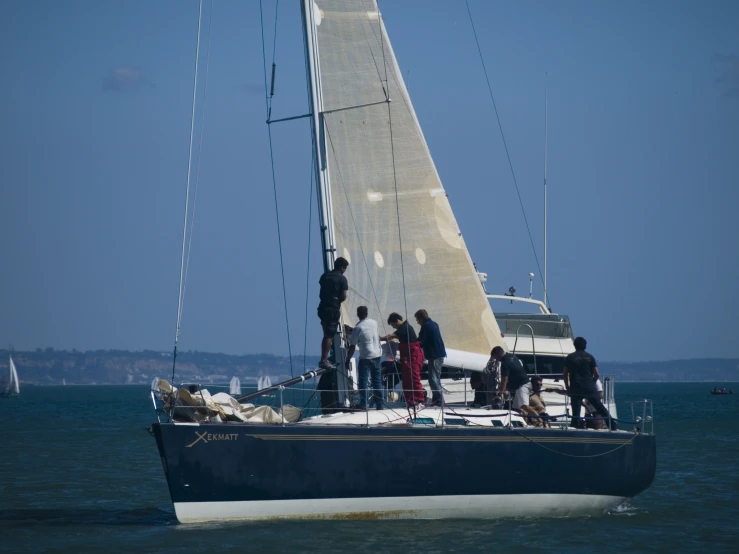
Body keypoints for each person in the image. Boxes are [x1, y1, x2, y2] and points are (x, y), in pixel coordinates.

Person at [563, 337, 617, 430]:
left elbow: (565, 374)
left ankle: (575, 426)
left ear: (574, 345)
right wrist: (592, 382)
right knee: (600, 408)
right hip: (589, 387)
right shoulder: (590, 357)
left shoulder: (570, 357)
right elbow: (596, 373)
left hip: (576, 387)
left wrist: (568, 387)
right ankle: (613, 426)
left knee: (576, 410)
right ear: (585, 346)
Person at [380, 313, 424, 408]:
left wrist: (379, 338)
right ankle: (410, 401)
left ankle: (419, 401)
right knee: (407, 379)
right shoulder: (404, 327)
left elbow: (391, 336)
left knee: (414, 378)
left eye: (393, 325)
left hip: (412, 356)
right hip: (407, 357)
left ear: (397, 321)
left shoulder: (404, 328)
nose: (394, 327)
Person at [346, 306, 385, 410]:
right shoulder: (374, 323)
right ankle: (379, 404)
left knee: (363, 381)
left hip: (366, 357)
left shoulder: (357, 328)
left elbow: (352, 346)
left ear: (358, 314)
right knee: (377, 381)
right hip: (377, 355)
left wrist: (347, 359)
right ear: (367, 313)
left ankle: (363, 404)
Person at [317, 257, 349, 370]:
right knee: (329, 335)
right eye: (345, 268)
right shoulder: (342, 278)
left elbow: (321, 293)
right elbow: (343, 296)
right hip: (332, 308)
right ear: (341, 267)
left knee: (326, 332)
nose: (345, 270)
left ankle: (327, 358)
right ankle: (324, 360)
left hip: (322, 307)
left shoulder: (324, 276)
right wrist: (337, 301)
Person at [415, 309, 447, 407]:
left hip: (435, 355)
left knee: (433, 378)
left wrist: (412, 343)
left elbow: (421, 340)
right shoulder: (434, 324)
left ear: (421, 318)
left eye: (417, 320)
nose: (417, 322)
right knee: (435, 377)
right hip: (439, 354)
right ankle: (437, 399)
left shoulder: (426, 326)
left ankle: (439, 400)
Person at [491, 346, 530, 411]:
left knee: (525, 406)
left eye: (496, 358)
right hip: (523, 383)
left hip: (522, 385)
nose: (496, 360)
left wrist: (500, 393)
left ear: (498, 354)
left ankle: (540, 420)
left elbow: (504, 379)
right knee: (517, 408)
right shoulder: (512, 356)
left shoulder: (505, 363)